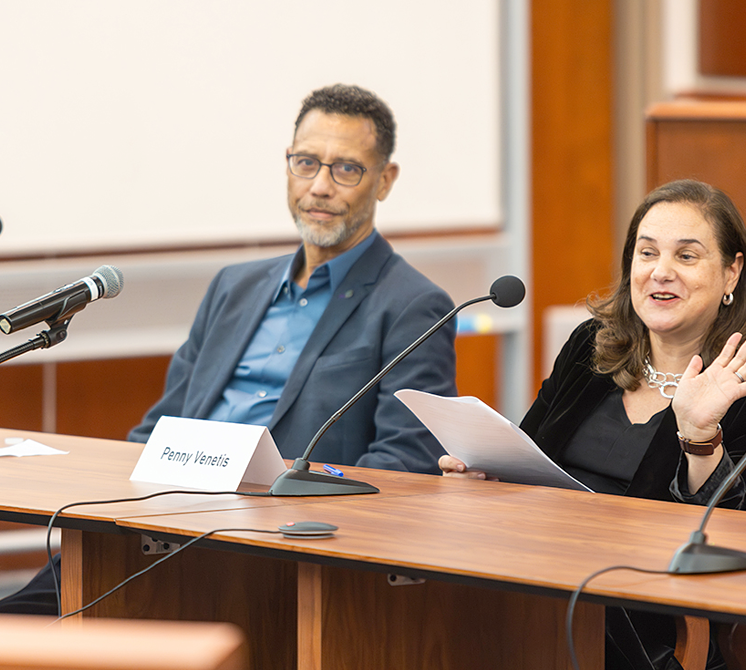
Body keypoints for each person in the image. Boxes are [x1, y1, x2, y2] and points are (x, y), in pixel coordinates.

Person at [0, 83, 458, 615]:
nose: (320, 187)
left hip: (266, 551)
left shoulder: (415, 305)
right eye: (306, 163)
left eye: (346, 169)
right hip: (154, 525)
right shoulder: (233, 286)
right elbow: (158, 425)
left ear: (385, 180)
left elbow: (403, 465)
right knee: (15, 625)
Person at [440, 179, 746, 670]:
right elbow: (528, 458)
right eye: (647, 253)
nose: (660, 272)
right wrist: (484, 475)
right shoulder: (592, 345)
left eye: (687, 256)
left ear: (731, 272)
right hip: (541, 579)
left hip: (647, 618)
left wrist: (701, 438)